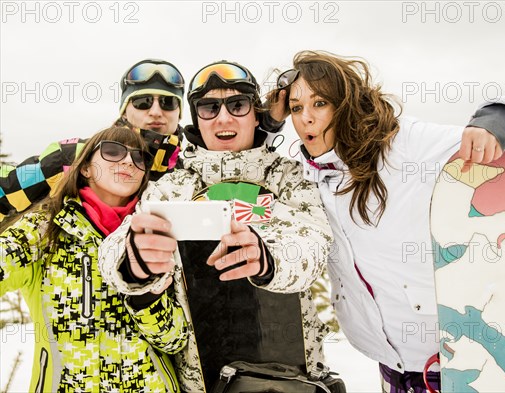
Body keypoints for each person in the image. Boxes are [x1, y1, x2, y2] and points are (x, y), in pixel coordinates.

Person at [270, 50, 505, 393]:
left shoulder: (406, 146)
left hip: (455, 365)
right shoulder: (311, 173)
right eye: (295, 108)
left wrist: (495, 121)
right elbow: (262, 173)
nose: (305, 118)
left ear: (346, 103)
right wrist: (266, 124)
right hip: (390, 364)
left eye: (320, 103)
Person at [97, 61, 334, 392]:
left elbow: (313, 245)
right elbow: (113, 249)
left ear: (256, 114)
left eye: (237, 105)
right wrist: (134, 263)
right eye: (209, 108)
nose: (224, 118)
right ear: (197, 120)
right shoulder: (172, 186)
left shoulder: (287, 177)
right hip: (203, 382)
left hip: (290, 378)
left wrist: (268, 261)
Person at [0, 125, 188, 392]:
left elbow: (175, 341)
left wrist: (145, 296)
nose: (127, 161)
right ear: (85, 168)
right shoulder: (45, 229)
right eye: (113, 151)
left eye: (139, 158)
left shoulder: (157, 233)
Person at [0, 58, 286, 223]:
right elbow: (7, 190)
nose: (156, 112)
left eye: (168, 104)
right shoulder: (75, 155)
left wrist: (267, 123)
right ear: (124, 110)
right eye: (143, 102)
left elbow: (239, 168)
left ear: (181, 113)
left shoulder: (187, 167)